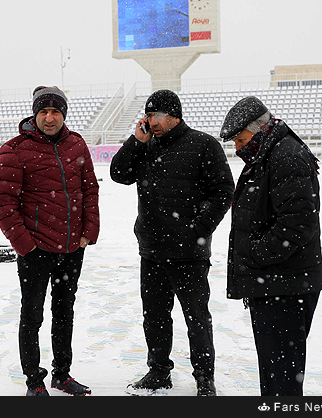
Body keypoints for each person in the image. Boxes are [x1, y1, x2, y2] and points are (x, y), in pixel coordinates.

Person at [110, 89, 234, 395]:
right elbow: (118, 174)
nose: (151, 121)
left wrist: (198, 230)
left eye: (156, 115)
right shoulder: (145, 146)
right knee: (154, 317)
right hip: (151, 250)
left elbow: (223, 192)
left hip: (189, 253)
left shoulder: (204, 145)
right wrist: (135, 143)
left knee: (196, 318)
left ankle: (204, 378)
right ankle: (158, 371)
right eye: (148, 115)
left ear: (174, 116)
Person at [0, 86, 100, 396]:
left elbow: (89, 190)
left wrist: (88, 232)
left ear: (63, 114)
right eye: (44, 111)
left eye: (55, 111)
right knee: (33, 315)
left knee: (64, 312)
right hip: (36, 251)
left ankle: (62, 374)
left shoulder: (76, 144)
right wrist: (26, 245)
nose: (50, 117)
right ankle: (34, 381)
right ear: (35, 114)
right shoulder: (14, 149)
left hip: (71, 248)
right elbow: (3, 205)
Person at [219, 96, 322, 396]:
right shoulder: (268, 154)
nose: (238, 148)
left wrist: (255, 255)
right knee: (275, 371)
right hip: (276, 282)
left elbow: (297, 225)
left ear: (260, 129)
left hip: (285, 285)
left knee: (282, 378)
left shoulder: (285, 156)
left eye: (241, 139)